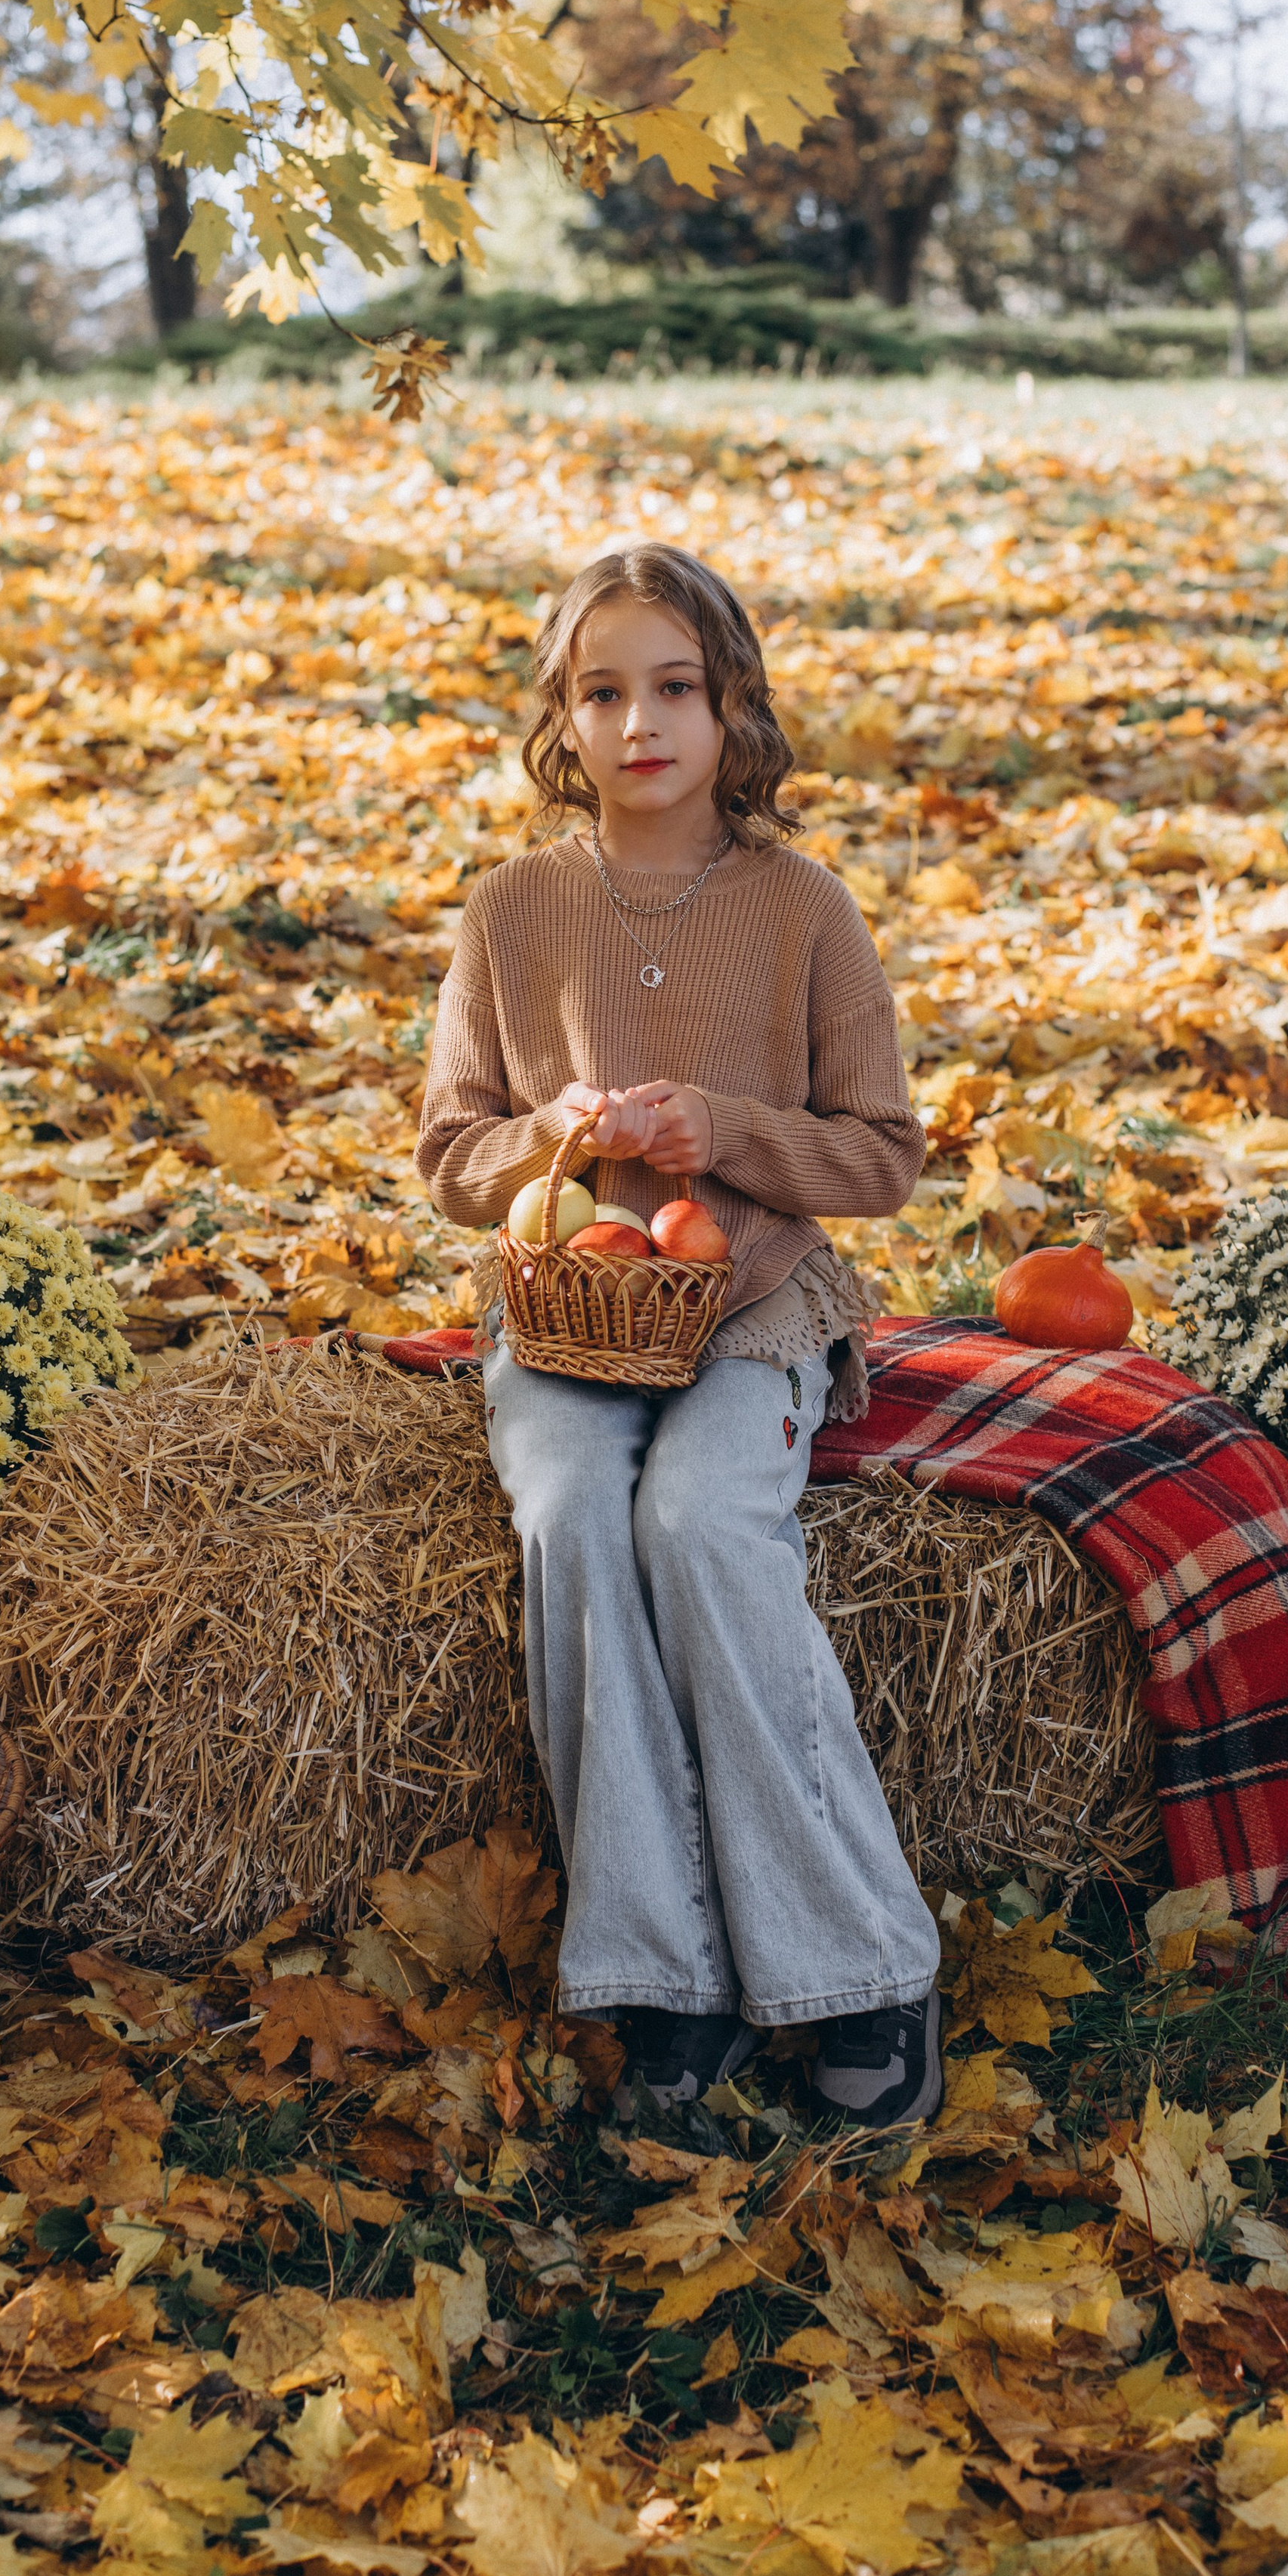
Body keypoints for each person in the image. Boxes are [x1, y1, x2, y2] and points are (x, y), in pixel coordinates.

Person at [415, 542, 942, 2123]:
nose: (636, 723)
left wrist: (715, 1126)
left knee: (701, 1523)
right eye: (600, 691)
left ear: (728, 709)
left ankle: (860, 1962)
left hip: (750, 1307)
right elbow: (449, 1154)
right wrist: (546, 1140)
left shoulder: (800, 907)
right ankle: (659, 1969)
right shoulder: (512, 910)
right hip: (568, 1314)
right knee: (576, 1516)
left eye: (672, 689)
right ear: (559, 721)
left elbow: (882, 1153)